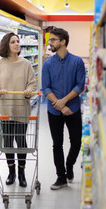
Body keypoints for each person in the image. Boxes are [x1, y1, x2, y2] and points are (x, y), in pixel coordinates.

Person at [0, 32, 36, 187]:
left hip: (22, 109)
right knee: (8, 141)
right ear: (6, 45)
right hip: (5, 110)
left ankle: (22, 173)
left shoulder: (26, 64)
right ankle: (11, 172)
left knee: (21, 141)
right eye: (13, 42)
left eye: (18, 41)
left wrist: (29, 91)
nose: (17, 44)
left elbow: (32, 83)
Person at [41, 27, 85, 190]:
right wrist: (59, 105)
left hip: (72, 109)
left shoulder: (77, 62)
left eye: (53, 40)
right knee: (57, 144)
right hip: (54, 110)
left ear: (63, 42)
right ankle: (61, 177)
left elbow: (80, 85)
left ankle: (69, 164)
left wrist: (64, 102)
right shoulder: (48, 64)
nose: (49, 42)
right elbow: (45, 88)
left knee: (76, 142)